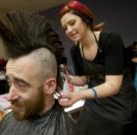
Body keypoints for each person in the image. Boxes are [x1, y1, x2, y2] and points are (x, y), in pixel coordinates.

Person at [0, 10, 81, 135]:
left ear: (50, 86)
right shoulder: (9, 119)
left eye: (21, 84)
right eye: (9, 82)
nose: (9, 97)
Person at [58, 0, 136, 135]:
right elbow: (85, 79)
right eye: (65, 28)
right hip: (96, 103)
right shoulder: (75, 50)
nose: (69, 30)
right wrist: (68, 78)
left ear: (86, 20)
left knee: (120, 126)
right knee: (85, 127)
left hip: (120, 100)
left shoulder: (110, 40)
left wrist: (79, 95)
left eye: (72, 23)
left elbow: (113, 85)